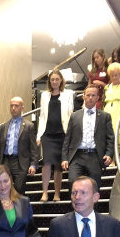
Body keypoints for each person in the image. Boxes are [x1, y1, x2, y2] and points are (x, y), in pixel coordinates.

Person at [61, 85, 114, 190]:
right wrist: (64, 158)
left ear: (97, 98)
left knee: (94, 186)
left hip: (95, 156)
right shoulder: (75, 116)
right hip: (77, 156)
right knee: (72, 183)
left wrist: (109, 154)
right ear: (83, 96)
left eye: (93, 95)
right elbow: (67, 138)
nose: (90, 98)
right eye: (88, 95)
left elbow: (110, 138)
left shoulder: (105, 116)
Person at [36, 70, 74, 202]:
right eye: (52, 79)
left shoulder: (68, 94)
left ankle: (57, 193)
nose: (55, 82)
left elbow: (70, 114)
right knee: (46, 163)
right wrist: (39, 135)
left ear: (61, 80)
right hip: (47, 134)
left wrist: (70, 134)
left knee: (58, 165)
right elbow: (42, 116)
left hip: (62, 133)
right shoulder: (44, 95)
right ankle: (45, 192)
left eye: (57, 79)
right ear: (49, 81)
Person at [0, 96, 39, 194]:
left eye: (16, 106)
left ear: (22, 108)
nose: (13, 108)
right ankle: (6, 204)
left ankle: (18, 204)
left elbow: (34, 148)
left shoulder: (28, 126)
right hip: (5, 161)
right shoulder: (4, 126)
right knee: (4, 188)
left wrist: (33, 164)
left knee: (18, 189)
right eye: (11, 106)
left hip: (20, 162)